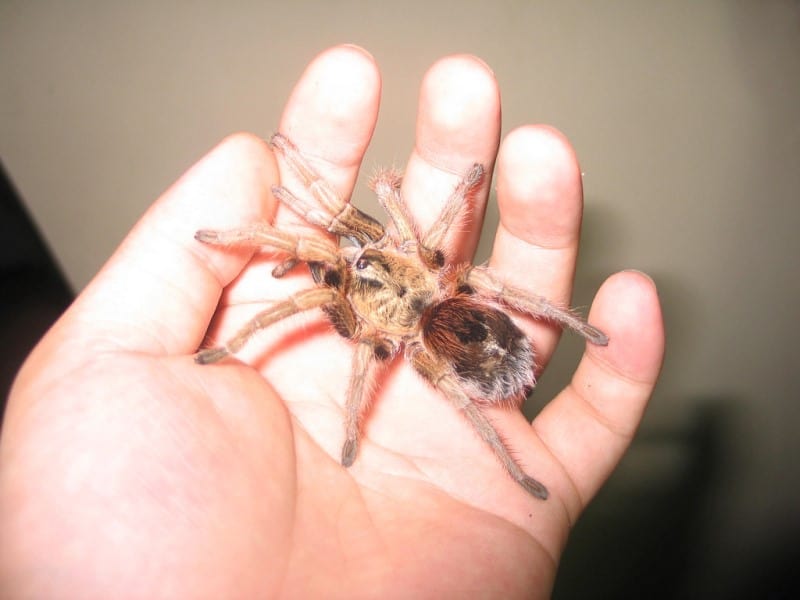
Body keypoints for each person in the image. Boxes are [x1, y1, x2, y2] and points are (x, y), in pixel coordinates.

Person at [0, 45, 664, 598]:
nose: (347, 252)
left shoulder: (395, 284)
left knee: (465, 286)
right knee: (434, 281)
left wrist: (441, 196)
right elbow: (382, 234)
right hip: (440, 316)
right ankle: (545, 387)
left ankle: (554, 367)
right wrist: (303, 197)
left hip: (439, 319)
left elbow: (399, 233)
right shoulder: (388, 273)